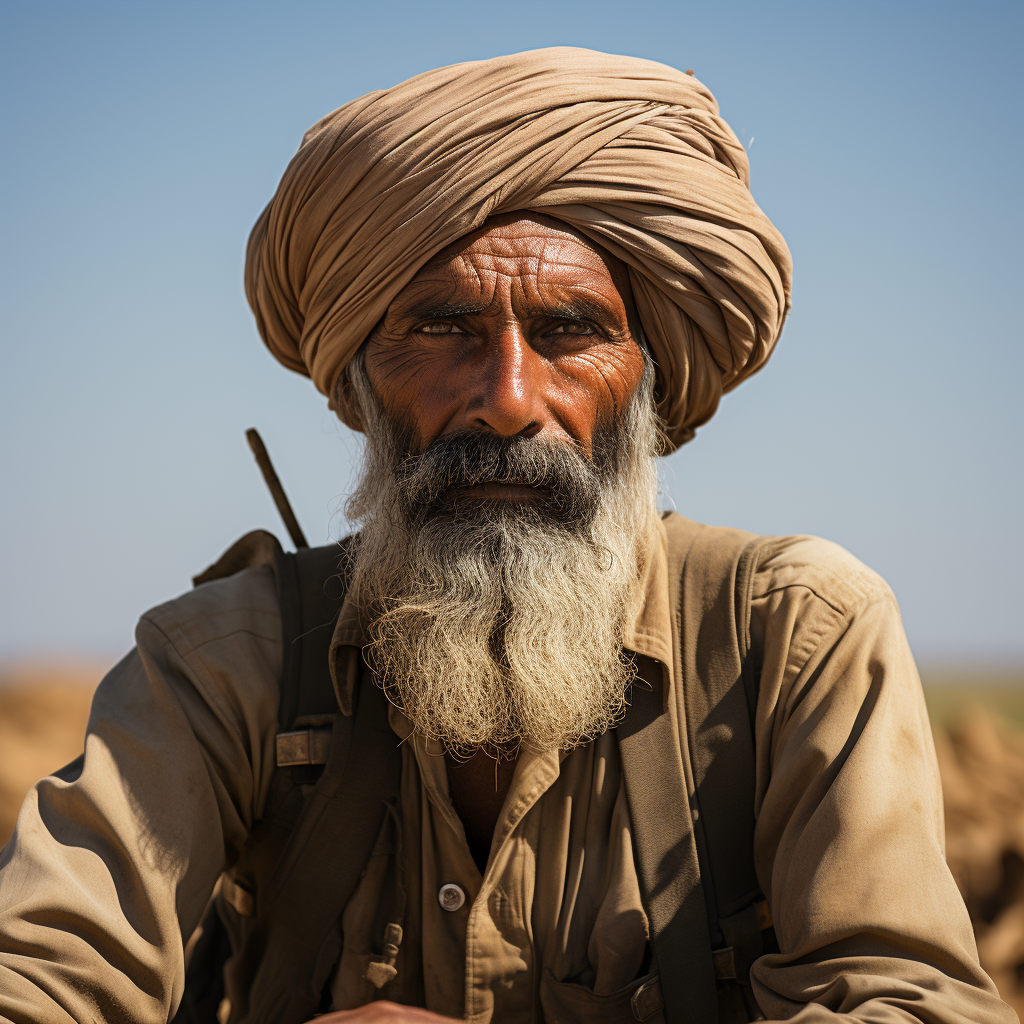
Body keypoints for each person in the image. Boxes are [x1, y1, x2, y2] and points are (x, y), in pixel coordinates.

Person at [0, 47, 1014, 1024]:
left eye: (572, 330)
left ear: (643, 382)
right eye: (441, 329)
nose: (507, 400)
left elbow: (901, 1000)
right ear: (359, 382)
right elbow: (43, 974)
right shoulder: (223, 663)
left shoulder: (791, 635)